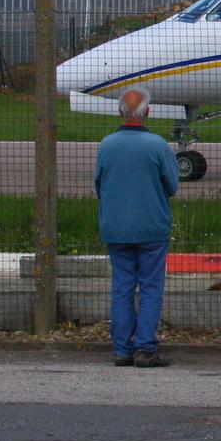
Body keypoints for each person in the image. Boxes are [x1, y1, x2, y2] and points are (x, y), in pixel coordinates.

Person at [95, 86, 181, 368]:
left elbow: (99, 184)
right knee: (151, 287)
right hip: (151, 227)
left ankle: (122, 349)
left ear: (121, 111)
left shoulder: (106, 145)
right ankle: (145, 348)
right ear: (148, 112)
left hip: (116, 227)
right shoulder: (158, 146)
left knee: (122, 287)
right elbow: (172, 185)